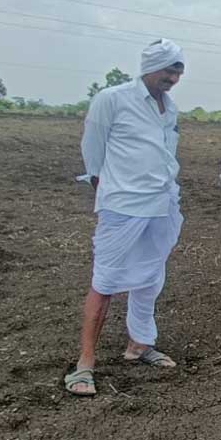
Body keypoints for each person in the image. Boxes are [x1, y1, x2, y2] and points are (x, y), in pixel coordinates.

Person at [65, 39, 186, 396]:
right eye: (168, 69)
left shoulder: (170, 107)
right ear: (149, 67)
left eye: (178, 70)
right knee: (105, 281)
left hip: (161, 204)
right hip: (123, 206)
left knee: (150, 276)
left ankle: (139, 344)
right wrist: (106, 188)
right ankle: (85, 364)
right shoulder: (113, 99)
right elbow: (93, 149)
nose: (174, 77)